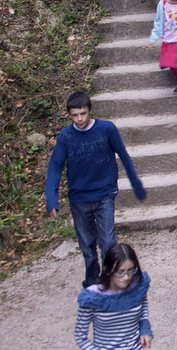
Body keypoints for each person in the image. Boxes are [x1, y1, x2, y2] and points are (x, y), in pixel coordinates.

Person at [45, 92, 147, 288]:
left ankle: (110, 280)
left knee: (107, 241)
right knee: (87, 245)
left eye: (83, 113)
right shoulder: (66, 137)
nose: (79, 119)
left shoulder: (106, 129)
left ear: (90, 110)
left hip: (104, 194)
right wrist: (52, 199)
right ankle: (92, 281)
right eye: (75, 115)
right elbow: (55, 166)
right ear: (69, 115)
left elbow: (123, 155)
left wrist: (137, 186)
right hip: (79, 197)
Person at [74, 242, 153, 350]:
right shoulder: (92, 297)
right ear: (107, 270)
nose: (126, 277)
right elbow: (80, 336)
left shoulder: (138, 286)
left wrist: (145, 326)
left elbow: (142, 303)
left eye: (130, 270)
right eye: (120, 272)